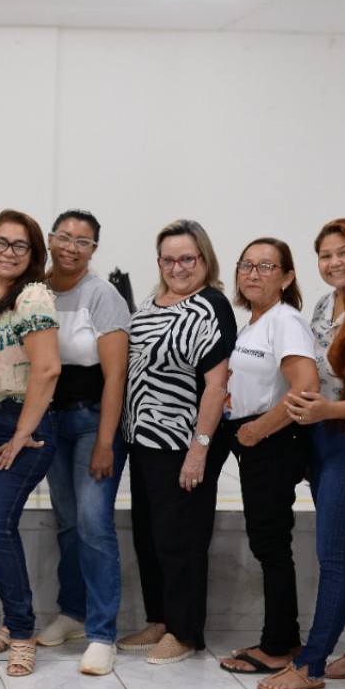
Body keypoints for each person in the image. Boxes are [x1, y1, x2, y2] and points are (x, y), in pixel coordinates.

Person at [258, 219, 345, 689]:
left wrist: (329, 410)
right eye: (326, 255)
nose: (335, 262)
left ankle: (311, 664)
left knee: (336, 556)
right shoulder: (323, 306)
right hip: (324, 443)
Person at [119, 219, 236, 665]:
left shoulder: (211, 306)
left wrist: (199, 447)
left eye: (187, 258)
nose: (177, 267)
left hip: (180, 443)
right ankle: (162, 619)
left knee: (180, 540)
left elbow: (215, 385)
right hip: (143, 442)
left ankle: (185, 631)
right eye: (168, 259)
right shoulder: (150, 304)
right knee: (149, 537)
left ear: (204, 259)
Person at [0, 210, 61, 678]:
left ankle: (22, 634)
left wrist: (22, 434)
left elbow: (47, 369)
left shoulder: (34, 295)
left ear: (33, 253)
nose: (7, 252)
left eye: (19, 245)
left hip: (22, 423)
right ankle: (12, 619)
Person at [215, 238, 317, 675]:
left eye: (266, 266)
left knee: (271, 543)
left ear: (287, 277)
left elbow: (305, 387)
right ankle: (281, 638)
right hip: (251, 436)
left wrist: (258, 429)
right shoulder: (253, 323)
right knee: (265, 541)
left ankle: (279, 646)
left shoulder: (285, 321)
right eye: (247, 265)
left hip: (274, 439)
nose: (253, 274)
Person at [40, 209, 130, 677]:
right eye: (64, 236)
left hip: (94, 420)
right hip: (51, 423)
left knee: (95, 523)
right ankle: (72, 613)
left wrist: (106, 441)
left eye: (84, 241)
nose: (72, 246)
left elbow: (116, 375)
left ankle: (102, 634)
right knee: (69, 523)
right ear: (50, 238)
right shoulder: (36, 289)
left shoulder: (103, 295)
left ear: (94, 249)